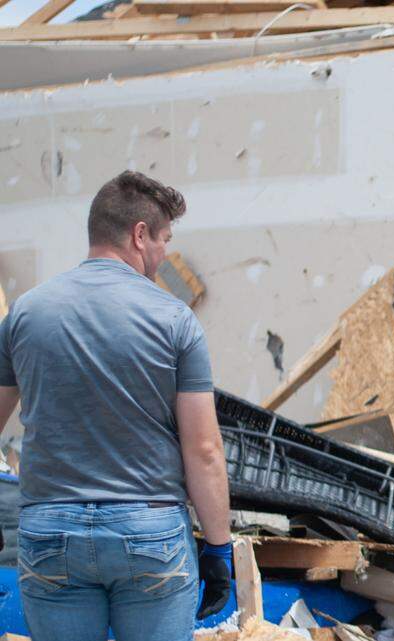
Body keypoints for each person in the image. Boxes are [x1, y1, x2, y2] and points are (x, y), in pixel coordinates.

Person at [0, 171, 233, 641]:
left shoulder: (25, 313)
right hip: (149, 533)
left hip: (50, 532)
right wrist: (219, 549)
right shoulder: (174, 320)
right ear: (139, 234)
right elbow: (204, 449)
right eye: (164, 239)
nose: (165, 253)